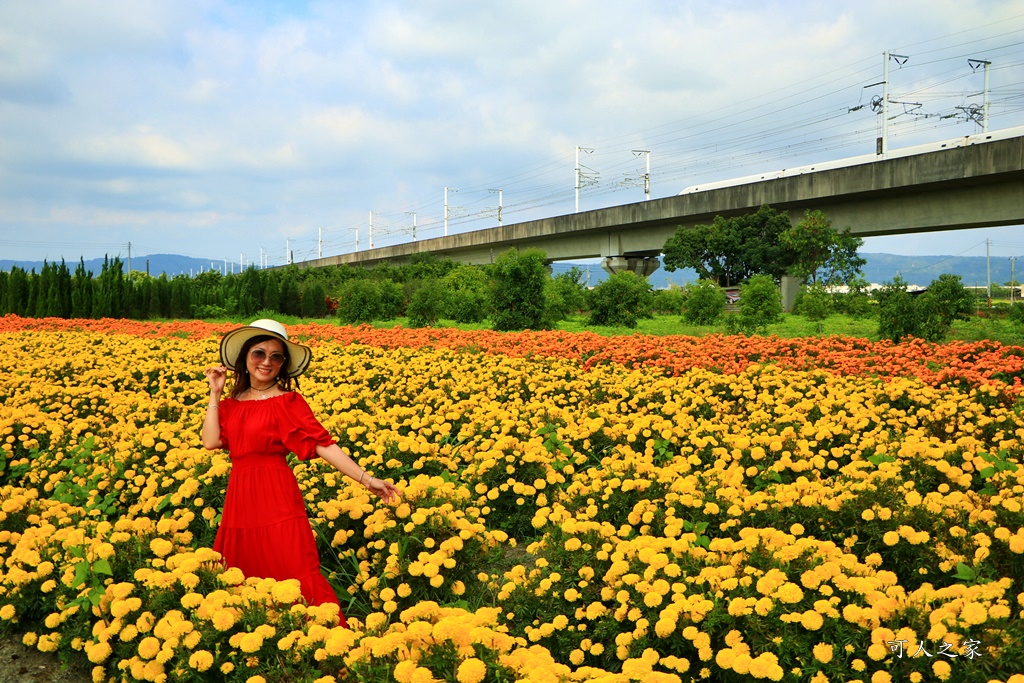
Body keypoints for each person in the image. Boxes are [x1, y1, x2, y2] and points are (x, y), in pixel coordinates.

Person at [202, 319, 399, 627]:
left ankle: (322, 638)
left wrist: (367, 479)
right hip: (241, 498)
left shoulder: (288, 401)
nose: (267, 362)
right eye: (259, 353)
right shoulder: (230, 404)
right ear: (244, 358)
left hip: (276, 493)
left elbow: (323, 444)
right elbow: (211, 441)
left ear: (283, 364)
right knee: (243, 566)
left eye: (276, 356)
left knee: (292, 564)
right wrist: (215, 393)